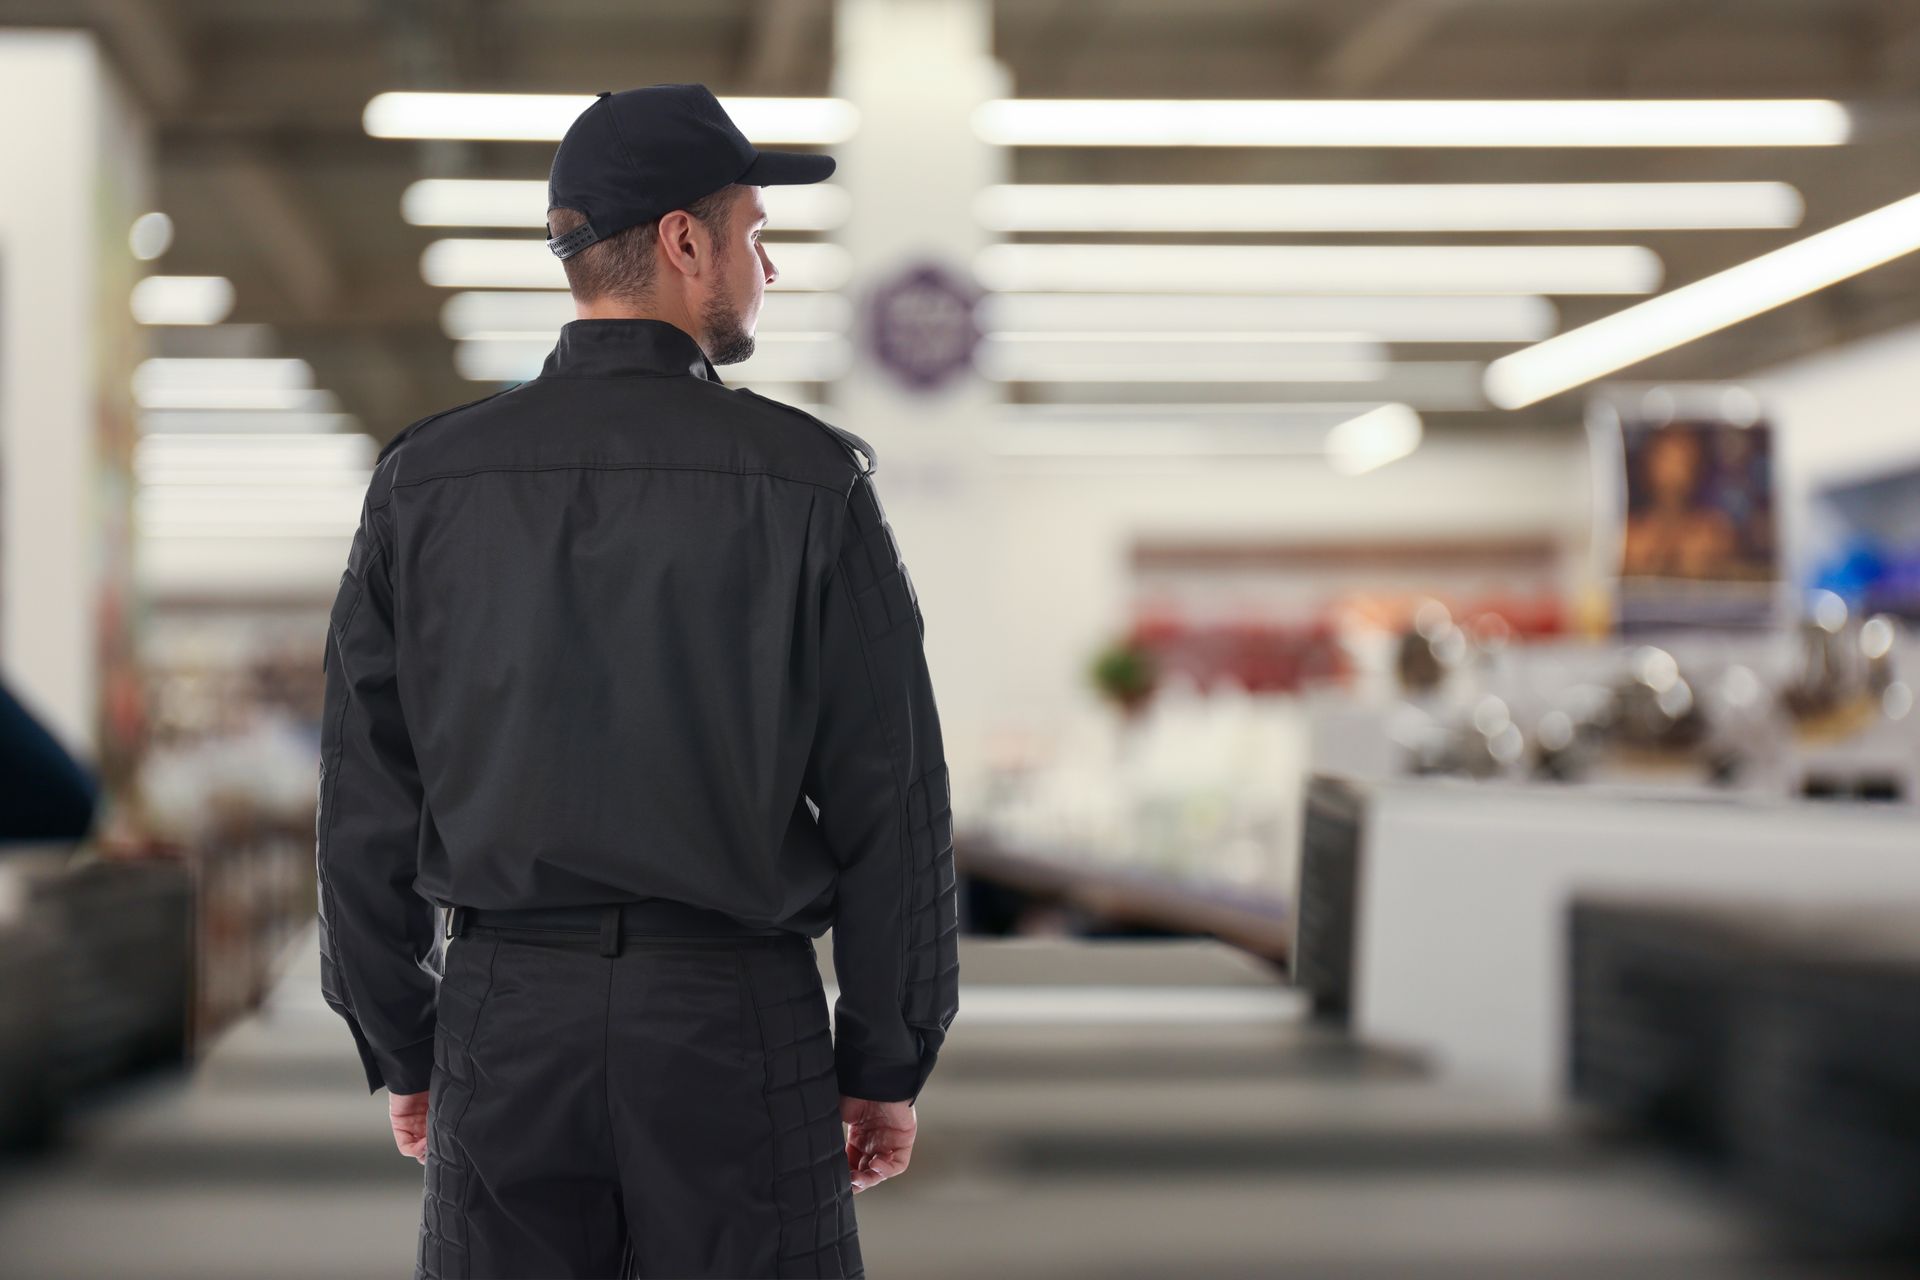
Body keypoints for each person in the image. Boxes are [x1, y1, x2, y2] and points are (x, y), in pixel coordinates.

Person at [315, 83, 959, 1279]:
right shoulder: (811, 483)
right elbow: (894, 797)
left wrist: (406, 1040)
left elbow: (364, 797)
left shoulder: (424, 484)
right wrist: (885, 1055)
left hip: (505, 1021)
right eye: (757, 234)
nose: (770, 266)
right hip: (733, 1024)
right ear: (683, 241)